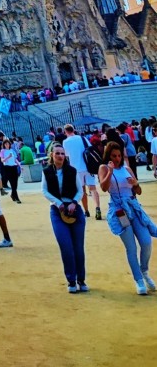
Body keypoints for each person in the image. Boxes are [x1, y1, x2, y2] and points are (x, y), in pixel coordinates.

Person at [98, 140, 157, 296]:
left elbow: (138, 191)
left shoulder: (127, 168)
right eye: (114, 156)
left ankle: (144, 271)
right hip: (119, 210)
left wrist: (136, 183)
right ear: (108, 156)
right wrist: (110, 171)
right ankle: (138, 280)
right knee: (131, 247)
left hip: (133, 206)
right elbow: (103, 188)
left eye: (119, 155)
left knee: (146, 241)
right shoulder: (104, 168)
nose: (117, 158)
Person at [42, 144, 88, 293]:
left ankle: (81, 279)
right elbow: (44, 190)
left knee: (78, 248)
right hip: (57, 210)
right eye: (57, 153)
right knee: (66, 247)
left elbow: (80, 190)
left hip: (74, 209)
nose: (60, 156)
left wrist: (74, 203)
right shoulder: (47, 171)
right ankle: (71, 280)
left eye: (62, 153)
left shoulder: (72, 171)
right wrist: (59, 203)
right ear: (52, 155)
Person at [62, 125, 90, 217]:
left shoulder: (65, 142)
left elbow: (66, 155)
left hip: (75, 168)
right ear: (73, 130)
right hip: (87, 166)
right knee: (93, 189)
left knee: (81, 190)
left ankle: (86, 210)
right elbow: (90, 148)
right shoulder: (82, 138)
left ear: (65, 131)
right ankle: (97, 208)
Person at [0, 139, 22, 203]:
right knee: (12, 182)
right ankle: (16, 197)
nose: (7, 145)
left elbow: (15, 159)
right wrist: (8, 157)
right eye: (5, 144)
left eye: (8, 144)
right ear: (4, 145)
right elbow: (2, 160)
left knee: (15, 182)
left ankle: (13, 194)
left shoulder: (12, 150)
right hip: (7, 168)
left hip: (14, 167)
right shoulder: (2, 151)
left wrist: (20, 166)